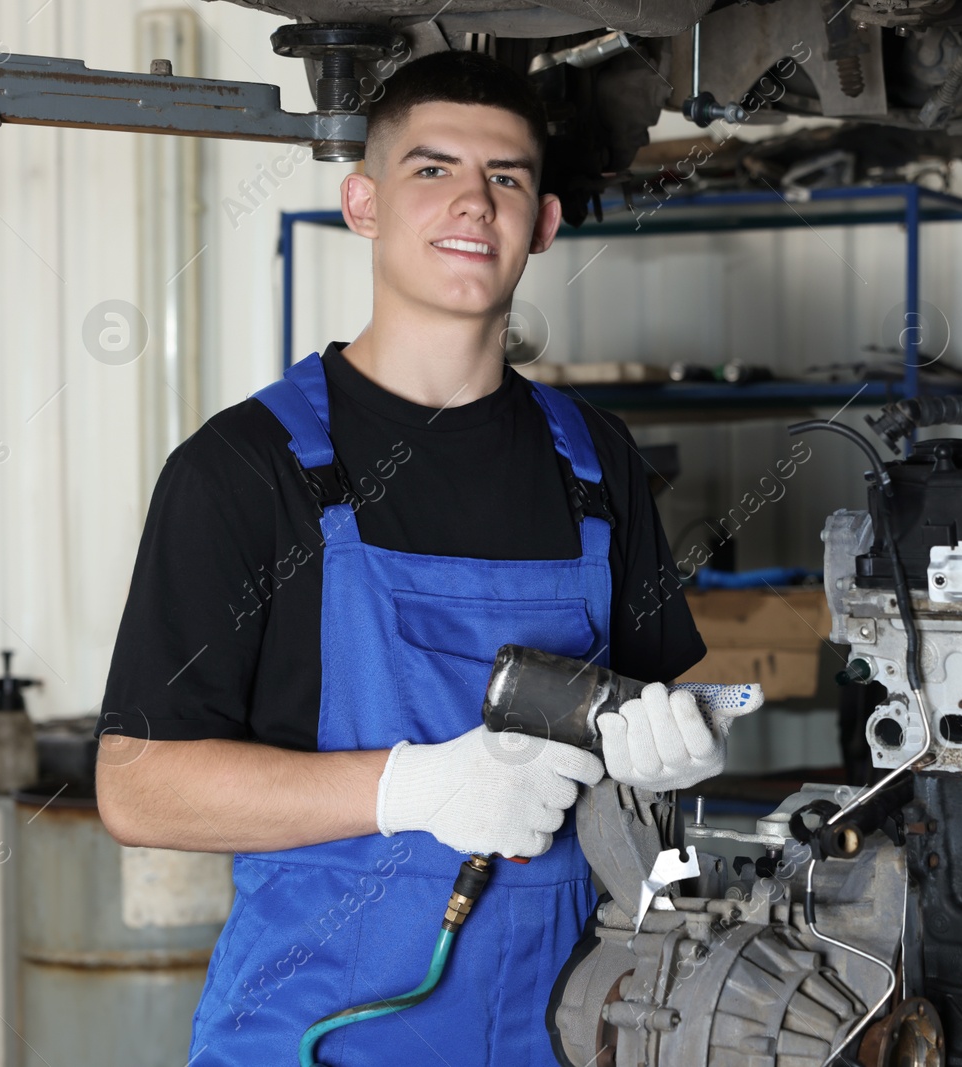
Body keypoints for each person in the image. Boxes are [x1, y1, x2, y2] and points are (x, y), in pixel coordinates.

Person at [95, 48, 759, 1067]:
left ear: (543, 223)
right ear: (363, 202)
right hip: (318, 1036)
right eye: (431, 168)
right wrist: (410, 787)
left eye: (506, 178)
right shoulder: (245, 468)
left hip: (571, 1032)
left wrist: (682, 747)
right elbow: (138, 788)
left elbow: (650, 730)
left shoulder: (594, 461)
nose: (472, 203)